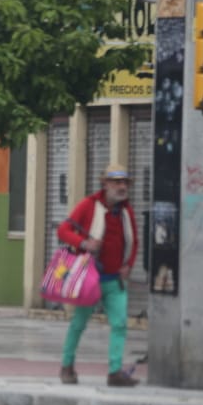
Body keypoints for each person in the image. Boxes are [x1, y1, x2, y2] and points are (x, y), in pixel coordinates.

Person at [56, 162, 139, 387]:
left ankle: (114, 372)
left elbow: (134, 241)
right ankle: (67, 366)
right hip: (89, 279)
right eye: (117, 182)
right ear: (105, 184)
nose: (122, 187)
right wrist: (84, 242)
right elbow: (63, 230)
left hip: (114, 280)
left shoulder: (126, 211)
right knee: (78, 324)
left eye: (125, 182)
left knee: (120, 323)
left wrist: (129, 264)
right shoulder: (88, 205)